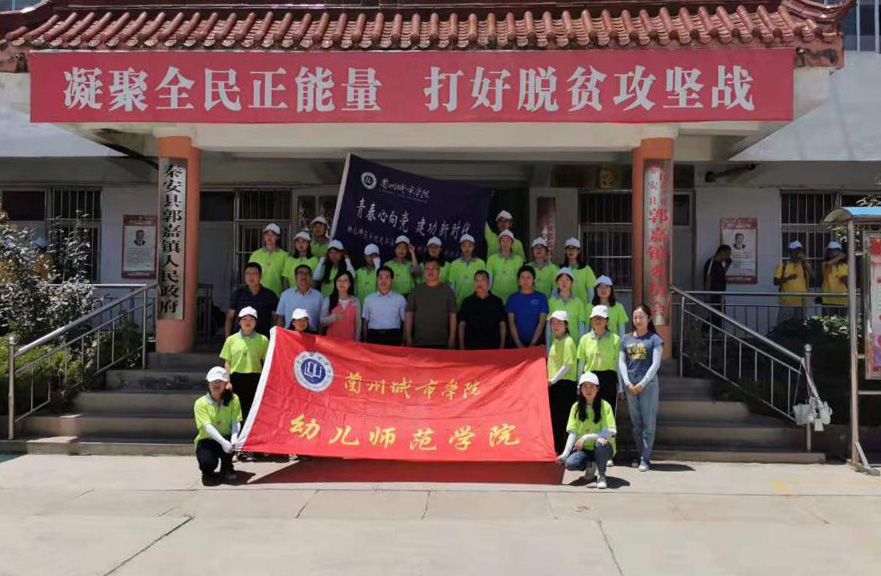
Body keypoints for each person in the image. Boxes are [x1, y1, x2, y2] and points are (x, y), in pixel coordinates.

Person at [219, 307, 268, 461]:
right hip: (236, 379)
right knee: (236, 414)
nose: (248, 322)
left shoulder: (263, 340)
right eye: (244, 319)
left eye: (251, 319)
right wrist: (228, 381)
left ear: (256, 322)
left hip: (255, 378)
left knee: (252, 414)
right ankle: (235, 447)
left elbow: (266, 362)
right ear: (239, 322)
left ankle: (249, 448)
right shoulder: (231, 339)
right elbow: (227, 362)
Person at [619, 304, 663, 472]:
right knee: (636, 423)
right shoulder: (625, 339)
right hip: (630, 385)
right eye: (635, 317)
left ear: (649, 319)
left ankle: (646, 458)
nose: (638, 320)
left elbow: (655, 364)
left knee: (648, 423)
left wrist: (642, 383)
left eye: (641, 317)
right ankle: (640, 454)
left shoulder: (655, 339)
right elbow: (621, 362)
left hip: (648, 385)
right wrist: (627, 383)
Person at [556, 372, 617, 490]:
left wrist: (586, 437)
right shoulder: (576, 407)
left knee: (600, 442)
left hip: (604, 448)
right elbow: (573, 432)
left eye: (592, 386)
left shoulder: (605, 406)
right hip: (584, 449)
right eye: (585, 386)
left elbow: (611, 431)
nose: (588, 390)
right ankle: (591, 465)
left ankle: (601, 475)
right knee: (570, 464)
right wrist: (564, 454)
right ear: (580, 389)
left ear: (597, 389)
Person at [194, 366, 242, 484]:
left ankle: (227, 468)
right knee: (207, 462)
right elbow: (207, 426)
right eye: (213, 381)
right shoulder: (200, 403)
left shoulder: (234, 399)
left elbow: (236, 421)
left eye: (220, 381)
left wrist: (234, 437)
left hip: (227, 436)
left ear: (226, 383)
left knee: (232, 444)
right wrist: (223, 442)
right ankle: (207, 473)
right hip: (207, 440)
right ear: (208, 383)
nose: (216, 384)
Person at [577, 305, 622, 428]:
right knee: (590, 411)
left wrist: (621, 387)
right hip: (589, 379)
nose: (598, 320)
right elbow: (581, 363)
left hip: (609, 378)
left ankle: (608, 438)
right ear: (591, 320)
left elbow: (618, 364)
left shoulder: (615, 339)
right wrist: (579, 384)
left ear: (607, 321)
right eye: (595, 318)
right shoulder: (584, 339)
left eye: (601, 318)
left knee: (609, 412)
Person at [405, 258, 457, 349]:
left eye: (434, 268)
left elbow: (453, 315)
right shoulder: (415, 290)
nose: (430, 271)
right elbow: (409, 314)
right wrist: (408, 337)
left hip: (442, 342)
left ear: (439, 271)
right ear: (424, 271)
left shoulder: (448, 291)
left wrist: (452, 339)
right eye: (427, 269)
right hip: (419, 342)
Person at [546, 310, 577, 453]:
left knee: (565, 419)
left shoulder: (568, 341)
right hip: (554, 384)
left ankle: (567, 451)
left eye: (559, 323)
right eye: (553, 323)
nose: (555, 326)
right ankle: (558, 449)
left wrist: (553, 380)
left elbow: (567, 365)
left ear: (566, 325)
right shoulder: (555, 340)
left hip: (565, 384)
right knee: (556, 419)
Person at [226, 262, 278, 338]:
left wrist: (274, 339)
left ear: (260, 276)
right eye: (248, 273)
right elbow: (230, 317)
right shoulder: (238, 294)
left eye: (254, 273)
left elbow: (276, 319)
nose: (251, 276)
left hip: (263, 339)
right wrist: (227, 339)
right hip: (240, 338)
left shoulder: (270, 295)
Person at [458, 270, 506, 350]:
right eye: (476, 280)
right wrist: (462, 347)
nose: (479, 283)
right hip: (471, 347)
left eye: (482, 280)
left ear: (488, 283)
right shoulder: (467, 302)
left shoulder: (497, 301)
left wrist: (502, 346)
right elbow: (462, 325)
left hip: (493, 347)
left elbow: (502, 325)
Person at [362, 266, 407, 345]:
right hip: (373, 337)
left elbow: (405, 321)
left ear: (392, 280)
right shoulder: (369, 299)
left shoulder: (400, 299)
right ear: (377, 280)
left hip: (393, 337)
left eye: (387, 278)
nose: (383, 281)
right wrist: (365, 340)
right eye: (380, 278)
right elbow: (365, 321)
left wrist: (404, 340)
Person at [506, 265, 549, 348]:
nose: (525, 280)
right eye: (522, 277)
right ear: (518, 280)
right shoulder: (512, 298)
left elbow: (541, 323)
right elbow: (511, 323)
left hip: (537, 343)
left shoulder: (541, 297)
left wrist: (533, 343)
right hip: (515, 343)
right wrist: (518, 343)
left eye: (528, 277)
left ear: (534, 280)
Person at [774, 240, 814, 323]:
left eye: (798, 251)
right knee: (784, 323)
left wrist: (805, 262)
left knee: (799, 324)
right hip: (787, 302)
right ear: (790, 252)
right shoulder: (783, 265)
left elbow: (812, 276)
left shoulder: (804, 265)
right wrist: (788, 278)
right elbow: (776, 282)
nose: (796, 253)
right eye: (794, 250)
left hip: (801, 301)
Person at [276, 264, 323, 332]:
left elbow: (321, 322)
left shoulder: (318, 296)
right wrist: (278, 334)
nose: (304, 276)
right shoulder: (286, 295)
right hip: (290, 334)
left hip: (311, 335)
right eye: (300, 273)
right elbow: (280, 318)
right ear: (295, 277)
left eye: (307, 273)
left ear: (310, 277)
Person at [248, 223, 288, 297]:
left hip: (276, 295)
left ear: (278, 237)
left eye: (273, 235)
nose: (269, 237)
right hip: (258, 295)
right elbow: (250, 275)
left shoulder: (284, 256)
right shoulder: (255, 254)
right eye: (267, 234)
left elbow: (286, 280)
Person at [447, 233, 486, 307]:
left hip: (477, 303)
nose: (467, 248)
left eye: (470, 245)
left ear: (474, 247)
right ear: (460, 247)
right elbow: (452, 286)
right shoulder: (454, 264)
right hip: (458, 303)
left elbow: (484, 284)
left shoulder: (481, 263)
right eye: (464, 246)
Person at [320, 270, 361, 341]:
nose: (342, 283)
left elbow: (358, 324)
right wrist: (333, 318)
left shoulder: (355, 301)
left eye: (345, 280)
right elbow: (321, 321)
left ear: (350, 284)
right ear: (335, 283)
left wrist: (357, 342)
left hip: (349, 342)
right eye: (339, 280)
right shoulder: (328, 299)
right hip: (331, 342)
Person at [549, 267, 586, 342]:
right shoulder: (552, 301)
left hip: (574, 342)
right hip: (556, 343)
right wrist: (548, 345)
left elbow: (581, 325)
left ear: (572, 283)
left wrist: (581, 344)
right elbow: (548, 325)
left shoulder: (578, 302)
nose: (564, 282)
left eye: (567, 280)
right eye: (561, 280)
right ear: (557, 283)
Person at [487, 230, 525, 304]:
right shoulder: (491, 259)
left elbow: (521, 281)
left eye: (508, 240)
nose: (505, 243)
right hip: (495, 298)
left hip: (514, 298)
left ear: (512, 243)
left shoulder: (519, 260)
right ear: (499, 243)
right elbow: (489, 280)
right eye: (503, 240)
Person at [559, 237, 597, 305]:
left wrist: (589, 306)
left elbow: (590, 291)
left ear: (579, 251)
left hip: (582, 306)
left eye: (574, 249)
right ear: (565, 251)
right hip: (564, 306)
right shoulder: (560, 269)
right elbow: (556, 290)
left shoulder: (586, 269)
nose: (571, 251)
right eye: (568, 249)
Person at [703, 245, 732, 329]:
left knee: (721, 314)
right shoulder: (711, 262)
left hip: (721, 292)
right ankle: (704, 330)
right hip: (713, 292)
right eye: (727, 254)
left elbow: (724, 270)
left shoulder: (723, 262)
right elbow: (708, 278)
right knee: (715, 315)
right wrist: (707, 294)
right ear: (721, 252)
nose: (728, 256)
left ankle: (717, 332)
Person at [821, 240, 848, 314]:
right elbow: (829, 264)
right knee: (827, 319)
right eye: (830, 250)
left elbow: (847, 280)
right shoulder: (825, 264)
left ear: (839, 251)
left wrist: (845, 278)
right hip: (828, 298)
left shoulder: (845, 265)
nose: (832, 252)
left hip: (842, 298)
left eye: (835, 250)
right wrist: (840, 257)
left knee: (842, 320)